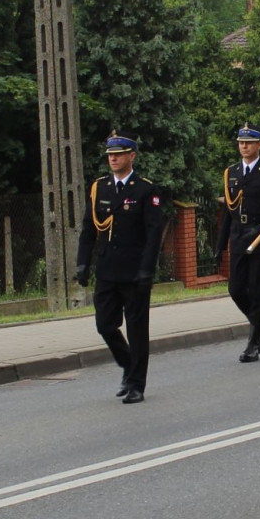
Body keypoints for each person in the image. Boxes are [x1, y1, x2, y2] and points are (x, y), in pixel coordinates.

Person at [76, 130, 164, 404]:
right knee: (105, 325)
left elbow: (153, 234)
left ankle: (137, 384)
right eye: (110, 155)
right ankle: (127, 363)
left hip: (135, 271)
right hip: (106, 270)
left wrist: (147, 270)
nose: (113, 159)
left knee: (138, 330)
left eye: (118, 155)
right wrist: (82, 263)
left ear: (131, 156)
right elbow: (89, 229)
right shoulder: (99, 188)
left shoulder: (145, 189)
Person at [215, 123, 260, 363]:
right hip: (238, 235)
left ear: (259, 145)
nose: (243, 146)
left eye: (249, 142)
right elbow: (229, 210)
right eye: (240, 142)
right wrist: (219, 244)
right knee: (235, 289)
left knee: (257, 289)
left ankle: (254, 340)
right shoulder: (231, 172)